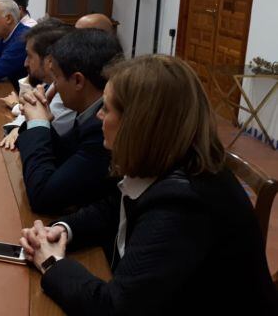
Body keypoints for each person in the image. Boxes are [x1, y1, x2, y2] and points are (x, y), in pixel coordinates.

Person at [19, 55, 278, 315]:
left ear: (139, 124)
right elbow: (114, 206)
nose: (98, 116)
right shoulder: (169, 156)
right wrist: (64, 230)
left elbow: (114, 308)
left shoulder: (183, 204)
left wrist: (52, 264)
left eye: (107, 109)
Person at [16, 29, 123, 214]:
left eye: (56, 77)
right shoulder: (88, 111)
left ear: (78, 81)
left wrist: (38, 125)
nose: (53, 86)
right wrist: (43, 123)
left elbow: (43, 197)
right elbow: (65, 157)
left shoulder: (102, 126)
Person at [0, 19, 76, 150]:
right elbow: (31, 114)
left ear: (49, 60)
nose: (25, 63)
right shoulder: (52, 84)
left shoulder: (66, 94)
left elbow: (39, 138)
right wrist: (19, 126)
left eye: (29, 56)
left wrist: (21, 129)